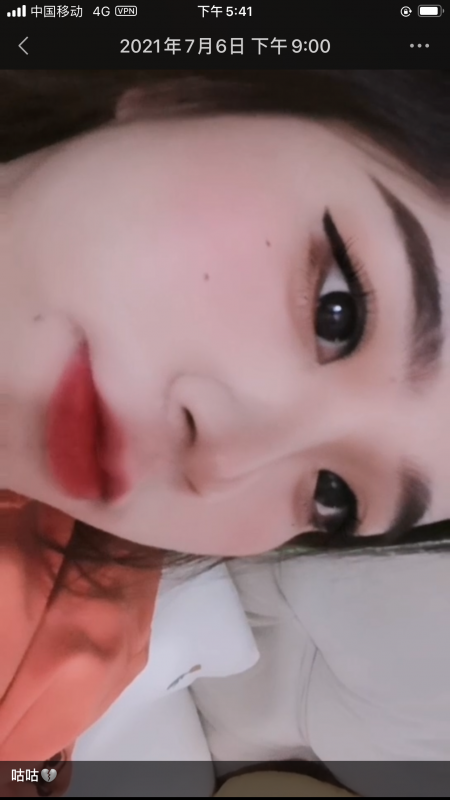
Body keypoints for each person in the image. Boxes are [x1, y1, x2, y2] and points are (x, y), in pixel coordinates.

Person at [1, 70, 450, 787]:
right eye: (337, 312)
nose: (227, 463)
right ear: (190, 86)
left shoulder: (56, 652)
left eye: (334, 496)